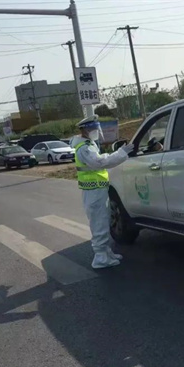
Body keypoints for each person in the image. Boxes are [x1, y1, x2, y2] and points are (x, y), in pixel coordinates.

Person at [72, 115, 135, 269]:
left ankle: (106, 252)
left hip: (97, 190)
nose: (96, 131)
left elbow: (100, 159)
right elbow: (100, 162)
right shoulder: (85, 148)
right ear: (85, 130)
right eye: (94, 128)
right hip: (93, 191)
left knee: (104, 221)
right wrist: (121, 153)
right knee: (99, 223)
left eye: (96, 128)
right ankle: (100, 257)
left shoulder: (89, 144)